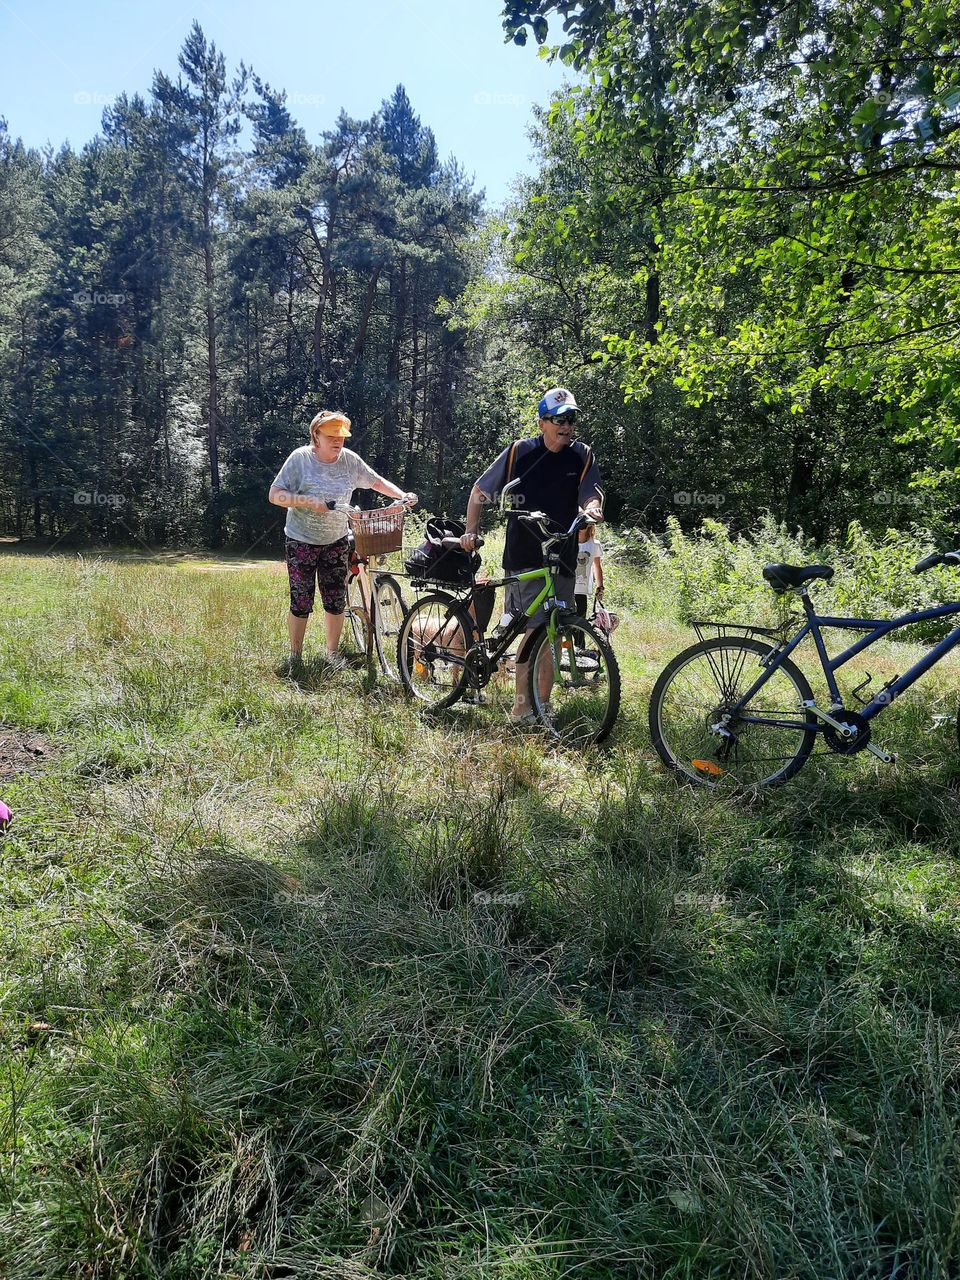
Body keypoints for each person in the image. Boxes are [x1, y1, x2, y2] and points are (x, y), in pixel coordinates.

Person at [460, 387, 604, 723]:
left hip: (563, 552)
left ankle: (543, 704)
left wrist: (592, 509)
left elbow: (591, 493)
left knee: (554, 631)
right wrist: (471, 530)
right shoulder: (520, 452)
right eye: (559, 419)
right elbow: (480, 491)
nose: (566, 426)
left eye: (571, 419)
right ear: (542, 423)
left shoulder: (582, 455)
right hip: (524, 552)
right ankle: (522, 706)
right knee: (533, 629)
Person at [269, 410, 416, 674]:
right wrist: (309, 503)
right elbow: (275, 495)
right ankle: (295, 657)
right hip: (301, 539)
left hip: (336, 540)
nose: (338, 442)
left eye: (341, 437)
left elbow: (375, 482)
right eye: (331, 436)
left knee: (335, 600)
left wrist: (402, 494)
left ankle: (332, 654)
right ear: (316, 435)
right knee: (301, 600)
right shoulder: (300, 459)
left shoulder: (349, 461)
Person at [574, 522, 604, 621]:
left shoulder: (594, 545)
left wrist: (600, 587)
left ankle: (580, 637)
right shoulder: (568, 542)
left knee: (580, 622)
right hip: (566, 587)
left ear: (590, 525)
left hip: (581, 589)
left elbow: (597, 566)